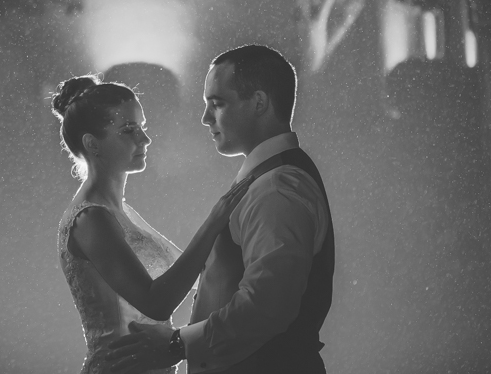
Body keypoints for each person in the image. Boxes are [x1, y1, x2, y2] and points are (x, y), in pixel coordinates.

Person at [110, 44, 334, 374]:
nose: (205, 118)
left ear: (259, 103)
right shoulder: (269, 179)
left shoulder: (277, 187)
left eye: (217, 104)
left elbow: (267, 307)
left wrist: (177, 344)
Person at [54, 75, 254, 374]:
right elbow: (156, 303)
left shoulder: (121, 212)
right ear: (92, 143)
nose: (144, 140)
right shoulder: (90, 219)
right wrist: (214, 221)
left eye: (142, 127)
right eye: (128, 130)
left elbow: (194, 277)